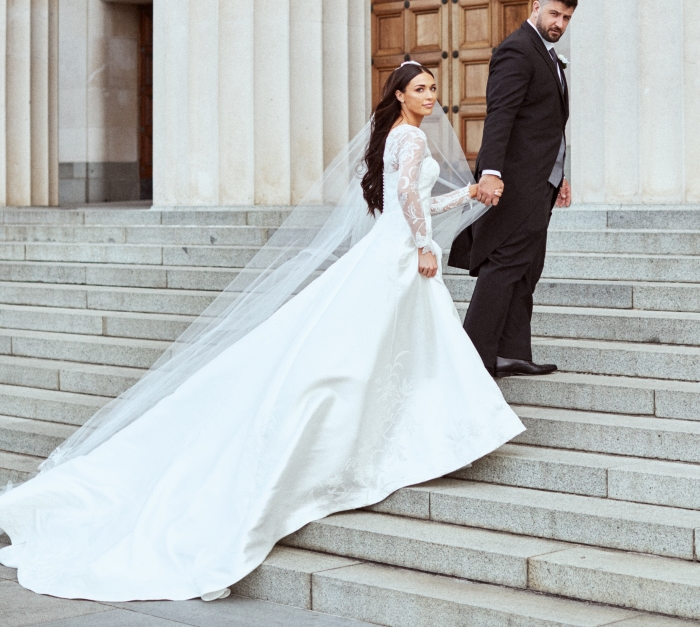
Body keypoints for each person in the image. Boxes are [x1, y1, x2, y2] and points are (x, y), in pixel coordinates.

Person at [0, 63, 524, 602]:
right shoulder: (410, 136)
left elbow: (407, 202)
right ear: (399, 95)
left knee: (383, 348)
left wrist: (462, 200)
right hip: (399, 253)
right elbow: (411, 206)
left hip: (388, 248)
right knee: (368, 354)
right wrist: (422, 245)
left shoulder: (391, 137)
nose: (431, 97)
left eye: (434, 89)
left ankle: (427, 429)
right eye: (421, 89)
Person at [448, 0, 577, 378]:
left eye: (566, 18)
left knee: (527, 267)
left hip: (542, 182)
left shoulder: (547, 55)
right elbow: (500, 115)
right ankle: (473, 359)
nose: (559, 22)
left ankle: (510, 352)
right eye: (554, 13)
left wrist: (560, 175)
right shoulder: (517, 50)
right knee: (504, 264)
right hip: (514, 184)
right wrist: (490, 172)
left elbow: (545, 126)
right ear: (536, 6)